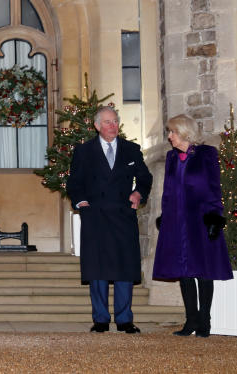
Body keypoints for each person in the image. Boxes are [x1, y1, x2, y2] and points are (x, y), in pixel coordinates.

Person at [67, 105, 153, 334]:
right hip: (95, 216)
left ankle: (125, 319)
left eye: (115, 121)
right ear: (96, 126)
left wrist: (139, 193)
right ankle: (101, 319)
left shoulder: (132, 150)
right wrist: (81, 203)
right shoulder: (83, 151)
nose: (112, 126)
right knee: (97, 270)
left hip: (123, 216)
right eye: (107, 122)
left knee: (125, 269)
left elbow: (145, 178)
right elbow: (74, 183)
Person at [153, 114, 232, 337]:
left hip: (201, 219)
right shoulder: (171, 157)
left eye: (172, 132)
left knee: (203, 271)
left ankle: (204, 322)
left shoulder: (207, 154)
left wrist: (215, 217)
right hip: (177, 221)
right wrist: (165, 216)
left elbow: (214, 188)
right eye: (169, 132)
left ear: (184, 132)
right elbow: (167, 192)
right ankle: (191, 321)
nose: (169, 136)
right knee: (184, 272)